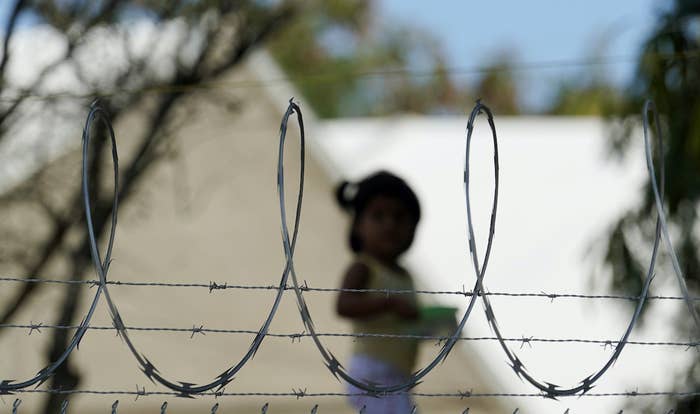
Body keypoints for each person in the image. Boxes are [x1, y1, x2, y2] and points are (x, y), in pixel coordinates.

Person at [335, 171, 422, 413]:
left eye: (399, 217)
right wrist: (388, 304)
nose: (389, 225)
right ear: (358, 225)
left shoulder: (405, 276)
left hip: (399, 376)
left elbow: (405, 323)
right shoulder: (363, 267)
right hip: (373, 373)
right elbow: (344, 304)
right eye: (378, 216)